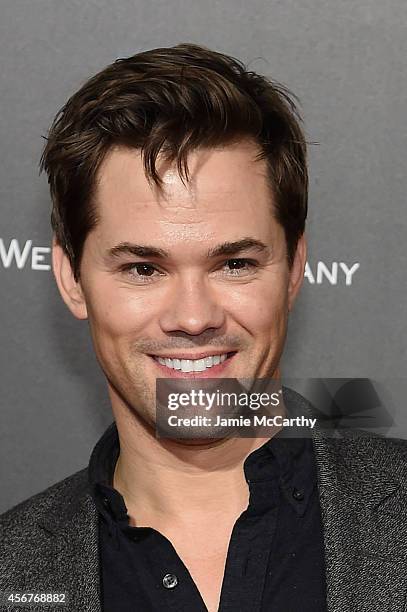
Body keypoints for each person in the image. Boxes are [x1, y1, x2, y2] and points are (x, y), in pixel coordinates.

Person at [0, 43, 405, 612]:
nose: (193, 318)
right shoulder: (11, 572)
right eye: (143, 269)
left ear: (293, 269)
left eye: (234, 264)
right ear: (70, 279)